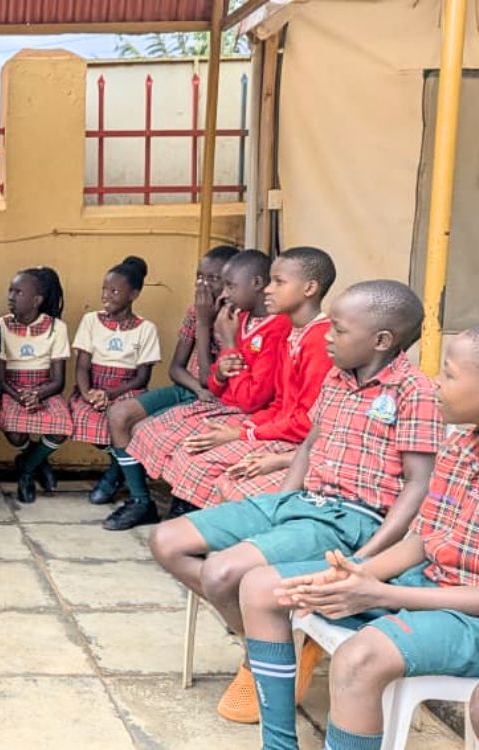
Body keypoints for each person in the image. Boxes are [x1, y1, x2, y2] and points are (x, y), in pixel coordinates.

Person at [149, 280, 442, 725]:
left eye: (339, 330)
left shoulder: (412, 391)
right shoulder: (338, 377)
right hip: (302, 500)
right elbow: (310, 443)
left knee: (221, 570)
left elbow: (418, 485)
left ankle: (265, 656)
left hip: (351, 518)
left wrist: (369, 555)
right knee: (167, 540)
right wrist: (284, 497)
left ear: (381, 340)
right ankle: (273, 643)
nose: (327, 336)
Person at [236, 328, 479, 750]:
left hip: (467, 615)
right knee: (261, 587)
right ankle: (278, 745)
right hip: (426, 583)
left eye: (449, 374)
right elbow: (421, 540)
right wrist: (356, 576)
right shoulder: (461, 446)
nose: (437, 383)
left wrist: (376, 593)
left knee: (359, 659)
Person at [120, 250, 289, 530]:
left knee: (189, 448)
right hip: (210, 396)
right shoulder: (237, 316)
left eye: (225, 283)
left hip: (243, 410)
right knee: (147, 429)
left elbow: (250, 399)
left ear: (256, 283)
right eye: (201, 278)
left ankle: (188, 512)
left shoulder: (269, 326)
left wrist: (225, 339)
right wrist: (216, 353)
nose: (208, 286)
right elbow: (207, 380)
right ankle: (148, 501)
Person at [161, 247, 336, 512]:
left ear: (309, 288)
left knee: (213, 470)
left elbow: (306, 422)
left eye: (279, 282)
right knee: (193, 454)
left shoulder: (317, 340)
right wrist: (242, 431)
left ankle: (210, 539)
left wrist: (243, 432)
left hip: (299, 443)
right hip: (277, 428)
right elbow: (280, 403)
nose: (268, 289)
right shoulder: (296, 334)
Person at [103, 245, 238, 508]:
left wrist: (205, 323)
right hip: (191, 389)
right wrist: (197, 389)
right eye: (199, 276)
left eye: (212, 278)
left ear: (231, 282)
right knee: (119, 415)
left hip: (221, 399)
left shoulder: (234, 318)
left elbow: (211, 379)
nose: (202, 283)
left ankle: (177, 498)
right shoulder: (194, 311)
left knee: (154, 430)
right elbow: (176, 368)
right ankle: (140, 500)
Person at [69, 257, 160, 512]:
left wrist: (109, 394)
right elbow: (83, 366)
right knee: (89, 422)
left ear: (134, 294)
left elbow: (142, 378)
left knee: (122, 422)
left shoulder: (146, 329)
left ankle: (112, 476)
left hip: (127, 390)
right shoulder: (90, 321)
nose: (106, 296)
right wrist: (89, 394)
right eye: (104, 289)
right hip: (93, 388)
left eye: (115, 291)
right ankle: (120, 467)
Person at [0, 266, 71, 505]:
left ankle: (27, 470)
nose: (10, 296)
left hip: (45, 387)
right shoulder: (1, 326)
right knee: (14, 432)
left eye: (18, 292)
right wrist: (18, 396)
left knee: (61, 427)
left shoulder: (56, 328)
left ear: (37, 300)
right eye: (10, 290)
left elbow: (59, 381)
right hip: (12, 388)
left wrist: (38, 393)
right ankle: (36, 459)